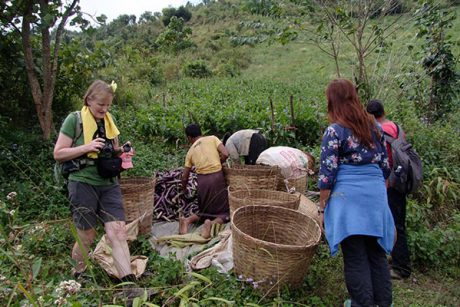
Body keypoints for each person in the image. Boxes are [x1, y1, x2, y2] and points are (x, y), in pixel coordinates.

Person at [318, 79, 395, 307]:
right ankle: (384, 303)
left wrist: (322, 208)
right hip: (374, 195)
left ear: (332, 102)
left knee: (355, 255)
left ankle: (362, 303)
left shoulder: (334, 131)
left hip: (348, 198)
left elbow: (327, 175)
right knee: (376, 252)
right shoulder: (374, 128)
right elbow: (385, 167)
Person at [53, 80, 135, 282]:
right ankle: (78, 275)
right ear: (89, 100)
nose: (105, 109)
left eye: (108, 105)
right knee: (86, 235)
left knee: (118, 232)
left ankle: (128, 283)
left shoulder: (109, 120)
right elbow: (59, 153)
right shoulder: (75, 120)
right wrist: (86, 147)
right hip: (82, 182)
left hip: (109, 183)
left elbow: (111, 149)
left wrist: (121, 151)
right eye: (101, 105)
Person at [367, 99, 411, 280]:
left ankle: (401, 268)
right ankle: (396, 259)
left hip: (389, 183)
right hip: (402, 179)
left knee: (393, 224)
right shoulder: (396, 127)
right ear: (383, 111)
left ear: (370, 115)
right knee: (398, 221)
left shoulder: (379, 131)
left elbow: (381, 159)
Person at [180, 124, 230, 239]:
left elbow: (184, 177)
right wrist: (220, 160)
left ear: (189, 138)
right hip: (216, 178)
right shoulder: (213, 138)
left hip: (202, 181)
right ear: (201, 132)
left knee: (204, 210)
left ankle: (187, 221)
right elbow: (226, 153)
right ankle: (211, 224)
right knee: (225, 212)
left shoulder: (190, 151)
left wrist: (183, 190)